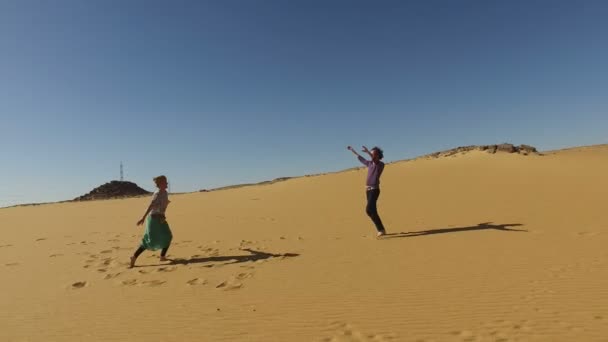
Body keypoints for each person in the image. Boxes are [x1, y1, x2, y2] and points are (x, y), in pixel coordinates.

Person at [129, 175, 173, 268]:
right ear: (160, 184)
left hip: (161, 218)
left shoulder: (165, 192)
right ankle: (134, 257)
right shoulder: (157, 193)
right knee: (150, 241)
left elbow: (162, 204)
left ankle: (162, 256)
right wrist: (143, 218)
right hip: (153, 219)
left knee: (168, 236)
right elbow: (151, 205)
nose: (167, 183)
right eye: (165, 182)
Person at [347, 145, 387, 237]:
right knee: (371, 211)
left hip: (374, 190)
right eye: (371, 154)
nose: (371, 155)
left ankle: (380, 229)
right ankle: (381, 230)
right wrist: (352, 150)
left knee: (368, 209)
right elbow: (359, 157)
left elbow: (375, 159)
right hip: (368, 190)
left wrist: (368, 152)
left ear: (377, 155)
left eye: (373, 154)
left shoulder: (380, 164)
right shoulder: (369, 164)